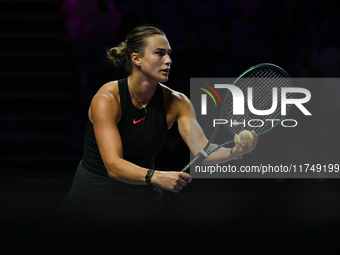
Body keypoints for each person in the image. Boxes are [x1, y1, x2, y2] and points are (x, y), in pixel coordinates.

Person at [60, 25, 258, 224]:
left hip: (143, 201)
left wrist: (235, 151)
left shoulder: (177, 102)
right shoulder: (107, 99)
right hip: (91, 198)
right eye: (159, 54)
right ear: (136, 58)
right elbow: (113, 165)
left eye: (169, 54)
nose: (169, 60)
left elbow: (203, 151)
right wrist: (156, 176)